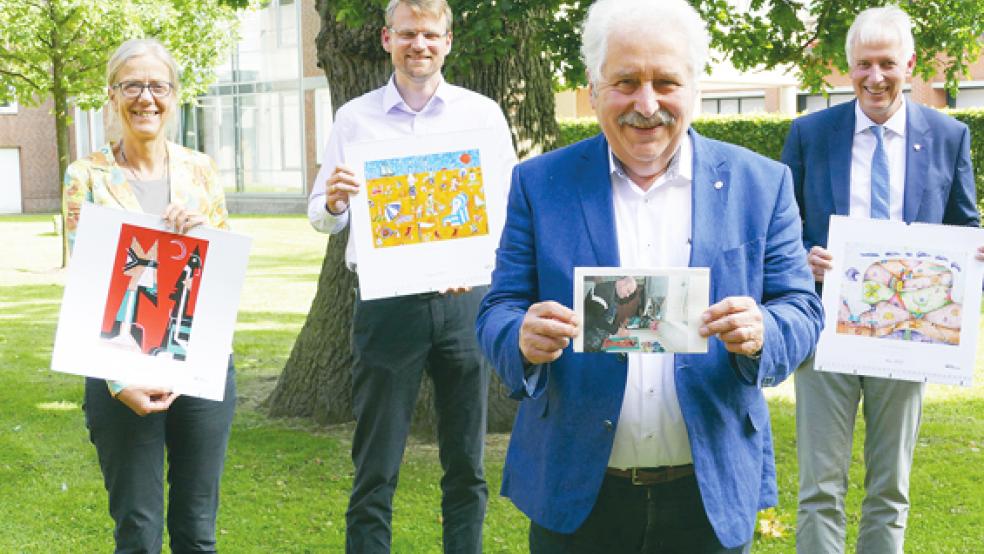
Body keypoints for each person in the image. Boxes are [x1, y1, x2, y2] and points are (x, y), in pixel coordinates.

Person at [475, 0, 822, 552]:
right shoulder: (540, 184)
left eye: (665, 82)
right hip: (578, 493)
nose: (647, 103)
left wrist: (765, 331)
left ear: (694, 89)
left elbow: (801, 309)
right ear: (593, 89)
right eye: (626, 82)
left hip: (707, 494)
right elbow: (499, 306)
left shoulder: (763, 184)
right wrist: (517, 336)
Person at [307, 1, 516, 551]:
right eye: (408, 34)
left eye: (430, 34)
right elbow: (321, 217)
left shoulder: (484, 115)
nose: (419, 44)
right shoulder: (354, 118)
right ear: (386, 39)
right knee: (375, 463)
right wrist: (333, 202)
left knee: (466, 461)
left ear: (448, 41)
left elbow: (509, 209)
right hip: (387, 302)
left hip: (464, 302)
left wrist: (472, 262)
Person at [781, 6, 980, 553]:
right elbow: (778, 231)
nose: (875, 77)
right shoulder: (809, 133)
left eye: (887, 63)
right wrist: (804, 255)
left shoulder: (948, 136)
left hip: (910, 339)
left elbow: (965, 223)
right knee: (820, 485)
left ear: (910, 65)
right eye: (863, 64)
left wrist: (971, 254)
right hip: (825, 329)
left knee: (890, 487)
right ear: (848, 69)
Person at [62, 38, 236, 553]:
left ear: (174, 95)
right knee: (138, 533)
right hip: (122, 368)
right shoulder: (86, 175)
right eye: (132, 85)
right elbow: (87, 282)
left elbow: (223, 270)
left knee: (197, 531)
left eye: (158, 85)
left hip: (199, 363)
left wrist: (203, 233)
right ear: (113, 95)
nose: (146, 98)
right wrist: (121, 380)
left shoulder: (200, 170)